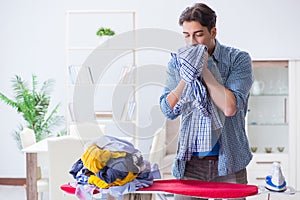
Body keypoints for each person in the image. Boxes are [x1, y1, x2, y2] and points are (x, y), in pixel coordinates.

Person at [159, 3, 254, 200]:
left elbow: (229, 107)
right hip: (191, 163)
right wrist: (187, 76)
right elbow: (168, 110)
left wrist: (204, 69)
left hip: (230, 161)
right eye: (186, 35)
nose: (192, 42)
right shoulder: (177, 63)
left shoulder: (238, 59)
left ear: (213, 31)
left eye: (198, 34)